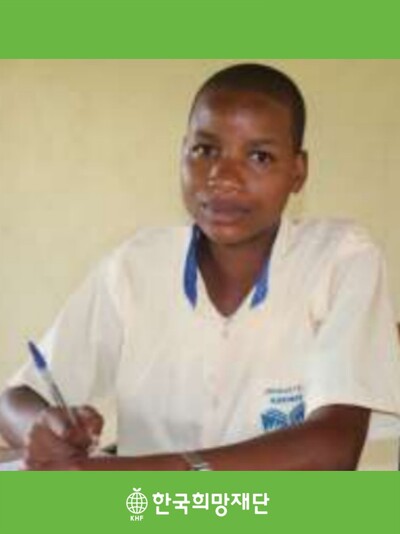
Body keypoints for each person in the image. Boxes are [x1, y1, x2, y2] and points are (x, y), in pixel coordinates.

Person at [0, 63, 399, 471]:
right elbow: (15, 399)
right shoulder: (136, 266)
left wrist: (133, 476)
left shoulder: (340, 259)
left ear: (298, 172)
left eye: (259, 156)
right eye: (206, 150)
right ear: (182, 153)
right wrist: (47, 432)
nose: (223, 177)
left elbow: (332, 448)